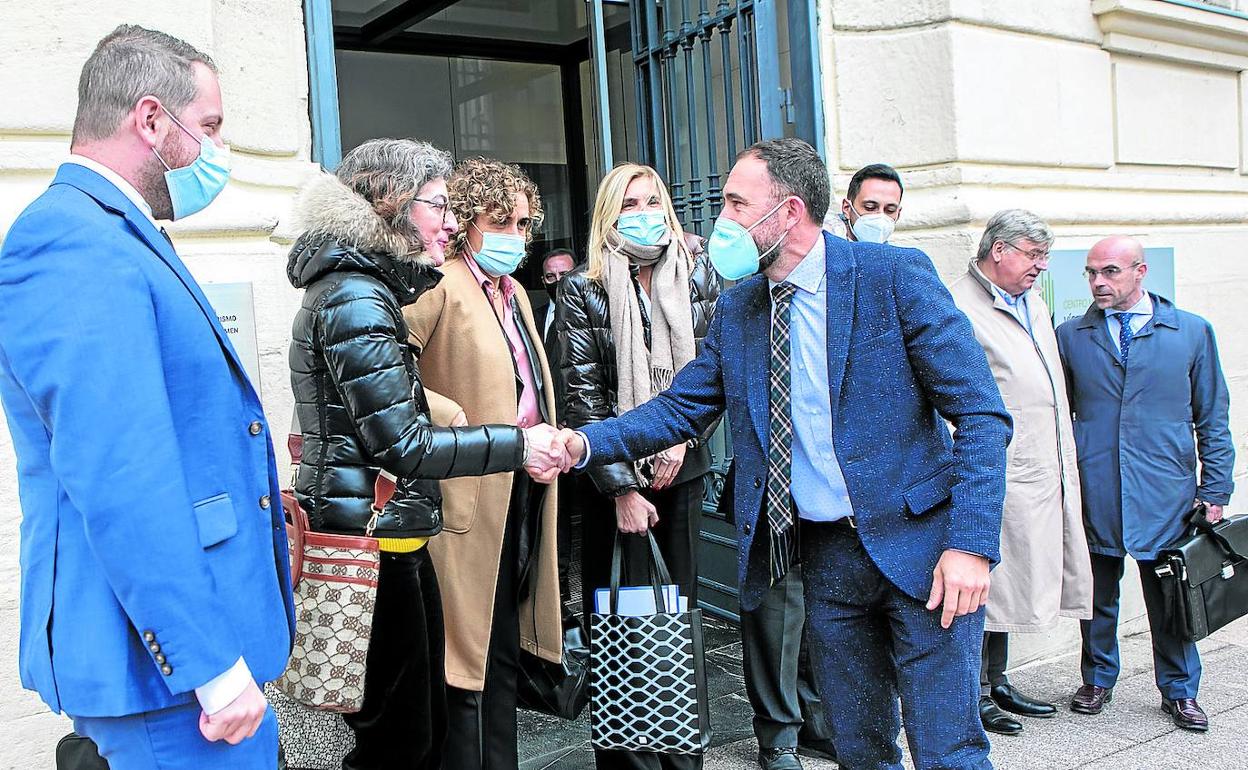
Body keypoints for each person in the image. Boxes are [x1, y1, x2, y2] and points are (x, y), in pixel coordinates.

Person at [561, 138, 1012, 770]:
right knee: (860, 746)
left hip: (927, 551)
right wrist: (582, 443)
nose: (721, 222)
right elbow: (680, 407)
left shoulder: (893, 277)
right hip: (826, 559)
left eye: (736, 204)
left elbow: (983, 417)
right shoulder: (742, 305)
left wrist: (970, 546)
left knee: (949, 748)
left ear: (789, 211)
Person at [0, 25, 291, 769]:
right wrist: (210, 667)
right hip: (169, 679)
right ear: (152, 119)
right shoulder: (71, 241)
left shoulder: (114, 232)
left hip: (188, 662)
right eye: (212, 128)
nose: (217, 154)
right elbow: (120, 474)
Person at [286, 139, 567, 770]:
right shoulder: (356, 295)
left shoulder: (368, 287)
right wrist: (517, 442)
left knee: (421, 726)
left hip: (394, 531)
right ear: (391, 203)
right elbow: (402, 440)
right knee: (402, 738)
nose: (449, 220)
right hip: (372, 539)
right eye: (439, 204)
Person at [555, 162, 722, 770]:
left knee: (675, 623)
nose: (645, 212)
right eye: (630, 204)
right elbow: (583, 398)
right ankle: (627, 760)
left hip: (683, 471)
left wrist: (679, 439)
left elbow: (713, 374)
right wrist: (623, 487)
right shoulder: (583, 287)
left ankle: (681, 755)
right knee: (620, 631)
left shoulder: (698, 272)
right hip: (612, 485)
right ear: (609, 214)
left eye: (653, 200)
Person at [403, 157, 563, 770]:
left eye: (524, 224)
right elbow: (390, 373)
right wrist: (453, 419)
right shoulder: (439, 282)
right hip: (465, 490)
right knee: (462, 656)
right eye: (501, 221)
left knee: (502, 647)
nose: (515, 237)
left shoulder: (515, 290)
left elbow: (528, 381)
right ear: (467, 220)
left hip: (520, 483)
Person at [1056, 236, 1234, 732]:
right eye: (1091, 273)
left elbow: (1212, 417)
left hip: (1166, 493)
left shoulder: (1191, 331)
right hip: (1098, 489)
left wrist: (1216, 489)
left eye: (1109, 272)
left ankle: (1179, 690)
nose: (1097, 282)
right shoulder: (1071, 335)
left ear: (1140, 271)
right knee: (1096, 596)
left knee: (1172, 597)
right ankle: (1097, 678)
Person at [949, 210, 1093, 737]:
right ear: (1000, 251)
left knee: (1014, 580)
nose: (1041, 266)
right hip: (997, 468)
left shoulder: (1031, 300)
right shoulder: (960, 304)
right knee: (987, 581)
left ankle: (999, 680)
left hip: (1043, 464)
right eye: (1033, 255)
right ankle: (974, 694)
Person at [837, 163, 903, 243]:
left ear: (898, 214)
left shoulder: (895, 254)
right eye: (870, 207)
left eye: (890, 210)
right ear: (847, 208)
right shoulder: (823, 247)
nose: (880, 216)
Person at [535, 248, 577, 362]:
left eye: (564, 274)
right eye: (551, 276)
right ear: (543, 281)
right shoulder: (533, 319)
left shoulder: (590, 315)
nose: (558, 280)